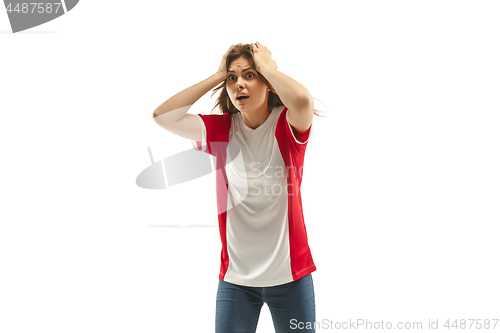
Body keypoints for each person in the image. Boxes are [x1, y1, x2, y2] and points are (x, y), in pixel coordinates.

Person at [152, 42, 323, 333]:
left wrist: (268, 68)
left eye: (249, 75)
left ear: (268, 84)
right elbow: (163, 117)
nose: (238, 84)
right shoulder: (222, 130)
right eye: (232, 78)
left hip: (291, 278)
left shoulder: (286, 126)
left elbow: (303, 101)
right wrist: (217, 75)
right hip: (236, 282)